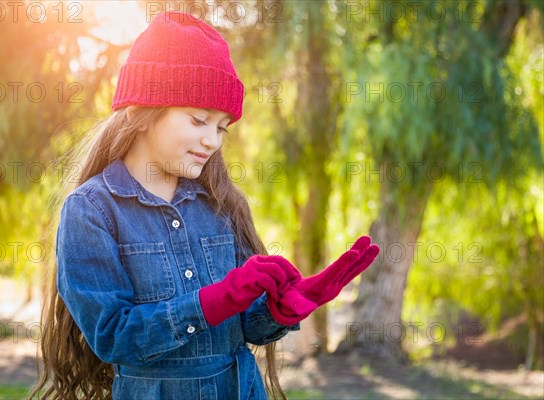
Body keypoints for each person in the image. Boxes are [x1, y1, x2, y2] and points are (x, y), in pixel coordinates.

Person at [29, 11, 379, 400]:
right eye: (199, 120)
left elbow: (248, 326)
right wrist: (215, 299)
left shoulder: (221, 203)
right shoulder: (91, 211)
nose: (213, 141)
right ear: (140, 114)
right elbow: (113, 336)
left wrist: (284, 310)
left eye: (221, 127)